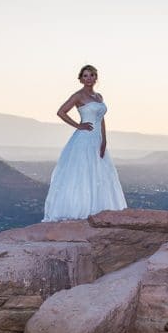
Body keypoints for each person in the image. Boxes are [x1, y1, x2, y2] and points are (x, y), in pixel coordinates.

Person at [43, 64, 127, 221]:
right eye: (85, 76)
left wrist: (104, 140)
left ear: (96, 77)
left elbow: (101, 119)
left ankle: (98, 210)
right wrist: (78, 125)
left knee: (100, 173)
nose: (89, 78)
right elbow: (61, 111)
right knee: (82, 172)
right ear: (80, 79)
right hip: (84, 139)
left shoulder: (99, 97)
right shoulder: (78, 96)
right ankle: (81, 209)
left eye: (92, 75)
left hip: (97, 139)